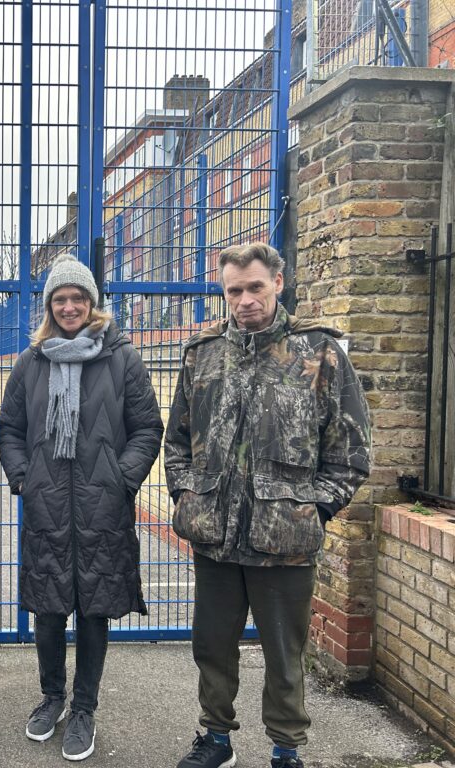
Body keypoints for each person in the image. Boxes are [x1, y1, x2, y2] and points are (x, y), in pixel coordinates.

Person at [164, 242, 371, 768]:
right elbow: (178, 443)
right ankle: (216, 739)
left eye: (255, 286)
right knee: (212, 647)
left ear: (278, 282)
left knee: (285, 655)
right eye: (234, 290)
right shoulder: (203, 353)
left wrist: (314, 510)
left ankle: (285, 749)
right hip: (215, 537)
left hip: (286, 541)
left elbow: (349, 451)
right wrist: (189, 495)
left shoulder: (320, 352)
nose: (245, 300)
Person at [0, 254, 163, 761]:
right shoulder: (31, 362)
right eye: (60, 299)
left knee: (94, 610)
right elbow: (10, 428)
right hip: (46, 504)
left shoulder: (122, 358)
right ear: (50, 306)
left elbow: (146, 427)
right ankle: (51, 698)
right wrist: (24, 477)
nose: (69, 306)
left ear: (92, 303)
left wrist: (122, 478)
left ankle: (85, 708)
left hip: (102, 505)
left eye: (78, 298)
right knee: (49, 610)